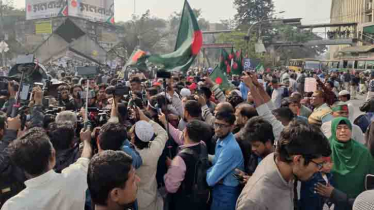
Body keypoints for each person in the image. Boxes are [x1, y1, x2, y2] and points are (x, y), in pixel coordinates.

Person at [236, 121, 332, 210]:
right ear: (298, 160)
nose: (318, 170)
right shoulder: (255, 202)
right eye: (318, 165)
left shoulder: (285, 169)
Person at [2, 127, 93, 210]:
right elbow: (85, 157)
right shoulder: (74, 176)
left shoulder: (12, 205)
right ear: (53, 156)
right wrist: (86, 141)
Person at [319, 117, 374, 210]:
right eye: (339, 128)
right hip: (331, 202)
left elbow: (371, 178)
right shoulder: (325, 150)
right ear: (333, 130)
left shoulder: (363, 152)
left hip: (358, 203)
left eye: (346, 127)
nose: (343, 131)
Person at [164, 120, 209, 210]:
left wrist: (171, 168)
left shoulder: (180, 159)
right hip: (200, 198)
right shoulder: (203, 145)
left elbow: (171, 188)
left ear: (185, 133)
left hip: (185, 202)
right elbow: (179, 137)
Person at [206, 110, 244, 210]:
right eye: (216, 124)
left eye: (222, 126)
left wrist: (209, 173)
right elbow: (217, 160)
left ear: (232, 127)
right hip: (220, 191)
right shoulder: (222, 139)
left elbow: (210, 180)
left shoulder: (230, 148)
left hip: (225, 194)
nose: (217, 129)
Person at [131, 108, 168, 210]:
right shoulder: (154, 149)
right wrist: (146, 119)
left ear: (133, 136)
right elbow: (163, 133)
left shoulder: (130, 155)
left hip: (135, 200)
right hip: (151, 196)